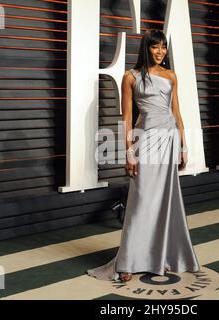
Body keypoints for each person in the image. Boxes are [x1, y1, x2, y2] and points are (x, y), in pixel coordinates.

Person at [87, 29, 200, 281]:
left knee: (164, 202)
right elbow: (126, 118)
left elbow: (177, 114)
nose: (160, 52)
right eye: (155, 47)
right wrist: (128, 152)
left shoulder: (171, 75)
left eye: (163, 47)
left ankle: (161, 256)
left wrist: (184, 146)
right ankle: (127, 261)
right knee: (140, 203)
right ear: (146, 48)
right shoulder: (131, 77)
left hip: (169, 141)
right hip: (145, 141)